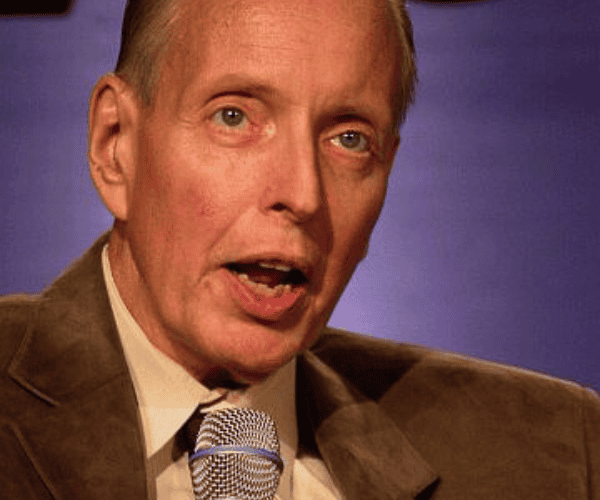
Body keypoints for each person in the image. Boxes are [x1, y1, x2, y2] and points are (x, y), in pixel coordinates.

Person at [1, 0, 598, 498]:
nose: (303, 194)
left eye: (348, 138)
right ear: (116, 145)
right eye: (234, 117)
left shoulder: (557, 455)